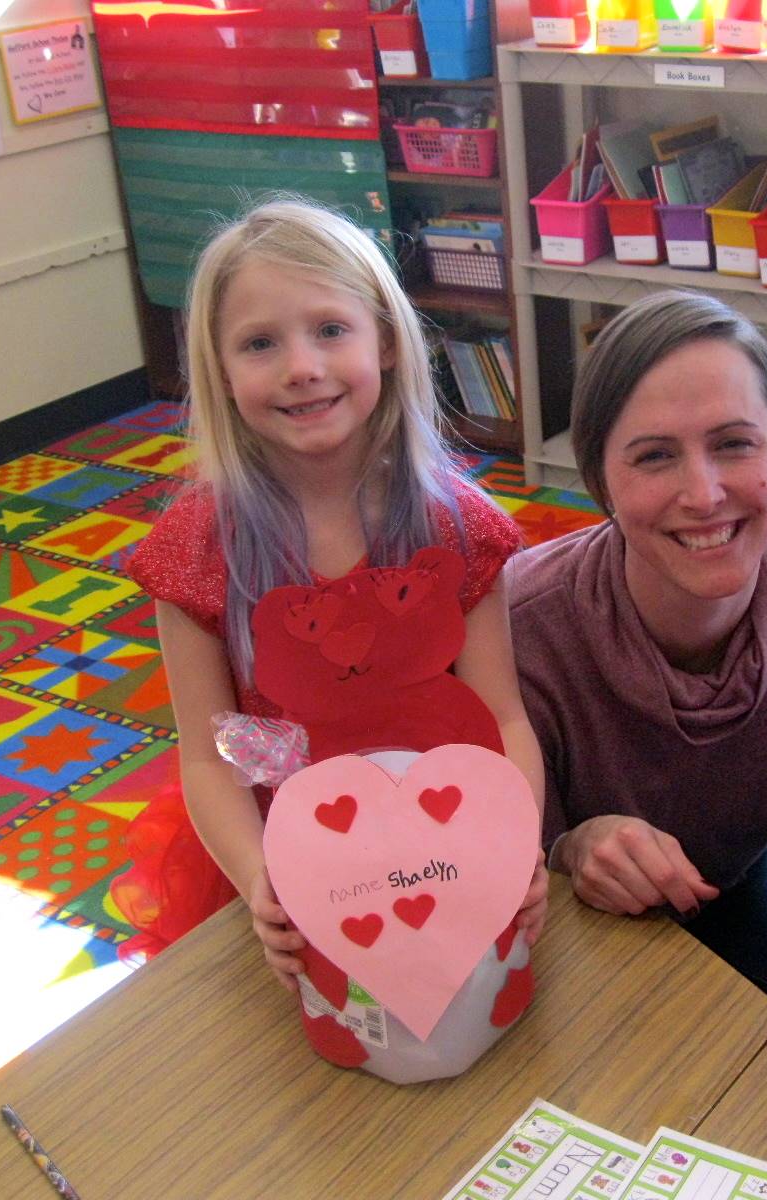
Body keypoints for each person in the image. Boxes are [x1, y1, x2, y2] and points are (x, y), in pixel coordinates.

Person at [116, 197, 546, 988]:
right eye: (258, 343)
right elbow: (209, 760)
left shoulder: (458, 527)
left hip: (443, 848)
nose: (301, 367)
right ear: (219, 370)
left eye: (330, 330)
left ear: (384, 340)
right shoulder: (196, 548)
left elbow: (503, 716)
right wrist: (260, 880)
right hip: (289, 857)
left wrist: (512, 842)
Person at [507, 291, 767, 1002]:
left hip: (739, 891)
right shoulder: (519, 627)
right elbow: (493, 869)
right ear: (600, 482)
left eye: (734, 444)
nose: (704, 494)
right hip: (560, 925)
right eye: (654, 457)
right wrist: (570, 846)